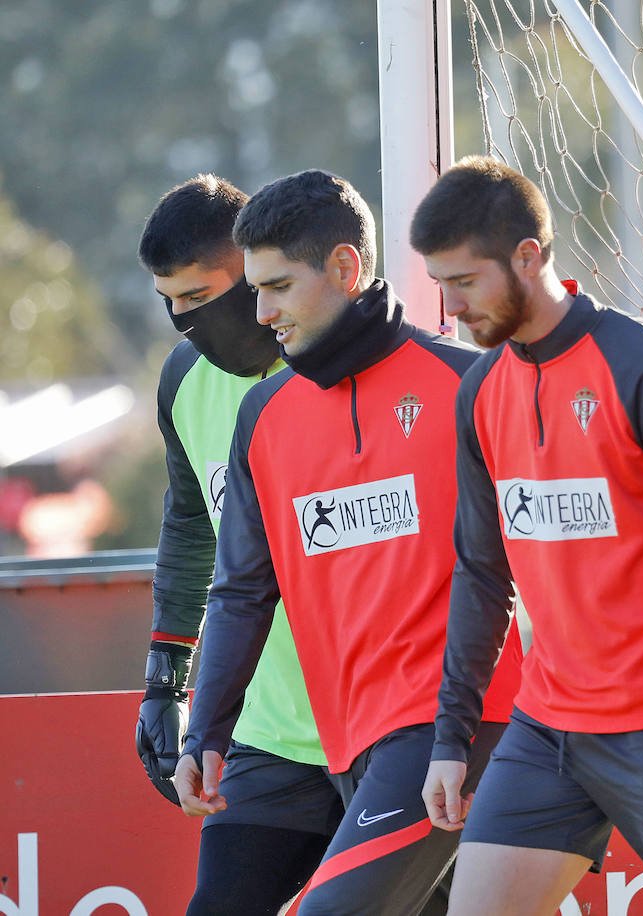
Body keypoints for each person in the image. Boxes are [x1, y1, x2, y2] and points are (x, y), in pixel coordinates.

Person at [174, 169, 523, 915]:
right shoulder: (263, 415)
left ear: (343, 268)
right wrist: (206, 728)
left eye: (278, 287)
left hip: (461, 724)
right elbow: (241, 589)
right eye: (255, 291)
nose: (261, 313)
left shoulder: (471, 383)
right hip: (348, 743)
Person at [411, 156, 643, 915]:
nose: (450, 307)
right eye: (440, 285)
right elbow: (480, 573)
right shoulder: (479, 392)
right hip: (548, 729)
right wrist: (450, 738)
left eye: (464, 282)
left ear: (529, 258)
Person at [135, 173, 341, 914]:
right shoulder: (185, 383)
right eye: (169, 302)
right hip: (269, 736)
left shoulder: (348, 365)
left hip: (389, 740)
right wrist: (166, 677)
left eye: (198, 296)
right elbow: (192, 525)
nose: (183, 321)